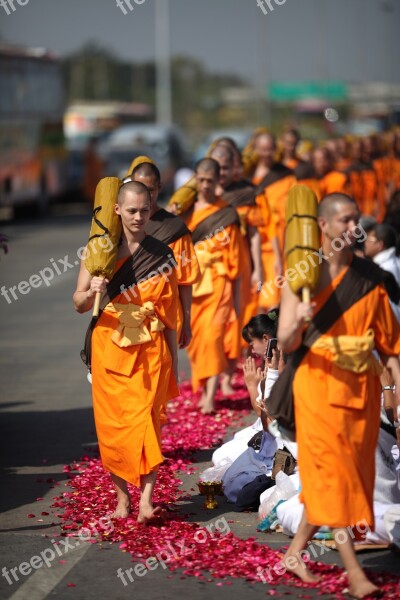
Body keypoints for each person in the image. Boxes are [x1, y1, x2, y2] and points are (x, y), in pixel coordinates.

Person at [276, 192, 400, 598]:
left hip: (360, 394)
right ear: (323, 226)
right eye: (344, 220)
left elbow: (389, 345)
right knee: (337, 477)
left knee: (340, 480)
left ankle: (294, 553)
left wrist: (392, 390)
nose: (352, 227)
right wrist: (300, 323)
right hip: (316, 390)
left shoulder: (369, 279)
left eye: (356, 219)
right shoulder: (303, 276)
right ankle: (355, 575)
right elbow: (286, 342)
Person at [73, 181, 179, 523]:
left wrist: (175, 366)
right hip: (110, 350)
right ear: (116, 209)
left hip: (150, 351)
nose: (137, 217)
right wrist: (92, 290)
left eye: (144, 210)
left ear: (152, 210)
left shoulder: (162, 254)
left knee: (146, 421)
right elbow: (78, 304)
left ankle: (146, 500)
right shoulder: (100, 251)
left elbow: (170, 314)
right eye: (131, 210)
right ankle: (122, 501)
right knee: (114, 426)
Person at [182, 158, 243, 414]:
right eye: (201, 180)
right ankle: (204, 383)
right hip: (194, 285)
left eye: (210, 180)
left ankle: (210, 394)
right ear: (195, 179)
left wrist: (238, 298)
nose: (205, 185)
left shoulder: (228, 213)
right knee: (196, 340)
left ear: (218, 181)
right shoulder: (186, 211)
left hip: (219, 283)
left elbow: (236, 255)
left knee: (214, 336)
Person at [128, 157, 200, 349]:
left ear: (159, 187)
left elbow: (184, 281)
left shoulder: (174, 228)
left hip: (163, 318)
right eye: (139, 188)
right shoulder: (120, 225)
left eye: (150, 190)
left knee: (161, 374)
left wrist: (186, 320)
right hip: (125, 315)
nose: (144, 196)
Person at [209, 143, 262, 393]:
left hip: (239, 264)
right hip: (209, 271)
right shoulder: (202, 193)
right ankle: (212, 373)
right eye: (217, 166)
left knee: (234, 321)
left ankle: (228, 376)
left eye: (226, 167)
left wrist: (258, 268)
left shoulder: (245, 193)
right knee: (212, 324)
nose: (221, 172)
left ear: (236, 168)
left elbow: (253, 234)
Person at [363, 222, 400, 322]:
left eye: (369, 240)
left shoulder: (387, 268)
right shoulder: (393, 262)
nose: (365, 243)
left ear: (380, 244)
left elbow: (391, 305)